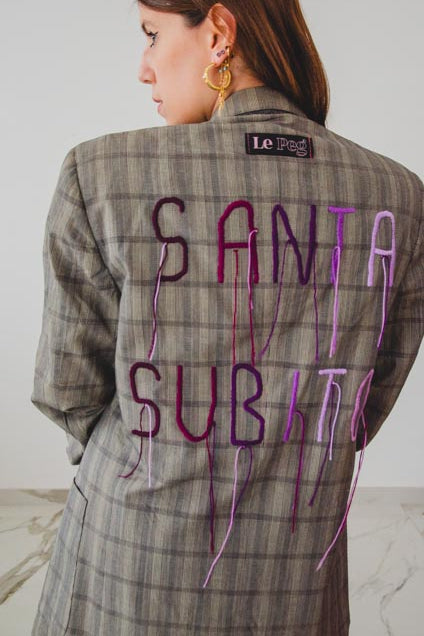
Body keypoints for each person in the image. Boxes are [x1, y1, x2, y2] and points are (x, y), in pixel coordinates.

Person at [30, 1, 423, 634]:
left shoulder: (100, 173)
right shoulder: (398, 195)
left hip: (133, 560)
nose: (143, 67)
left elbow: (67, 389)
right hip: (297, 576)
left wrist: (153, 452)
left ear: (219, 32)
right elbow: (362, 403)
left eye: (152, 35)